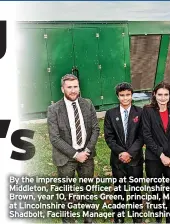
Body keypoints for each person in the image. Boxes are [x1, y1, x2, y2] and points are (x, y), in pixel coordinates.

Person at [47, 74, 100, 223]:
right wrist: (76, 154)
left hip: (86, 155)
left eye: (75, 86)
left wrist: (87, 151)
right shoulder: (54, 109)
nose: (73, 90)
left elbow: (95, 129)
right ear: (62, 89)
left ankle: (90, 220)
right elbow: (55, 138)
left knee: (88, 191)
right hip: (66, 158)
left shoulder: (87, 104)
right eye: (69, 87)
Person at [104, 82, 144, 224]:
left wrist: (130, 153)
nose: (125, 98)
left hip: (135, 160)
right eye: (122, 95)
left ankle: (136, 217)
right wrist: (121, 152)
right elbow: (109, 137)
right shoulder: (110, 114)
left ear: (132, 95)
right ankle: (119, 217)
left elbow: (142, 136)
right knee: (119, 191)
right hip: (118, 160)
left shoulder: (140, 112)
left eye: (128, 95)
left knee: (135, 191)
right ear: (117, 96)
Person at [142, 81, 170, 223]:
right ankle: (158, 219)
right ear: (154, 95)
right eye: (160, 94)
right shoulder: (147, 110)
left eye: (166, 94)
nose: (163, 98)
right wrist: (161, 155)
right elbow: (147, 135)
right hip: (154, 158)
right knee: (156, 190)